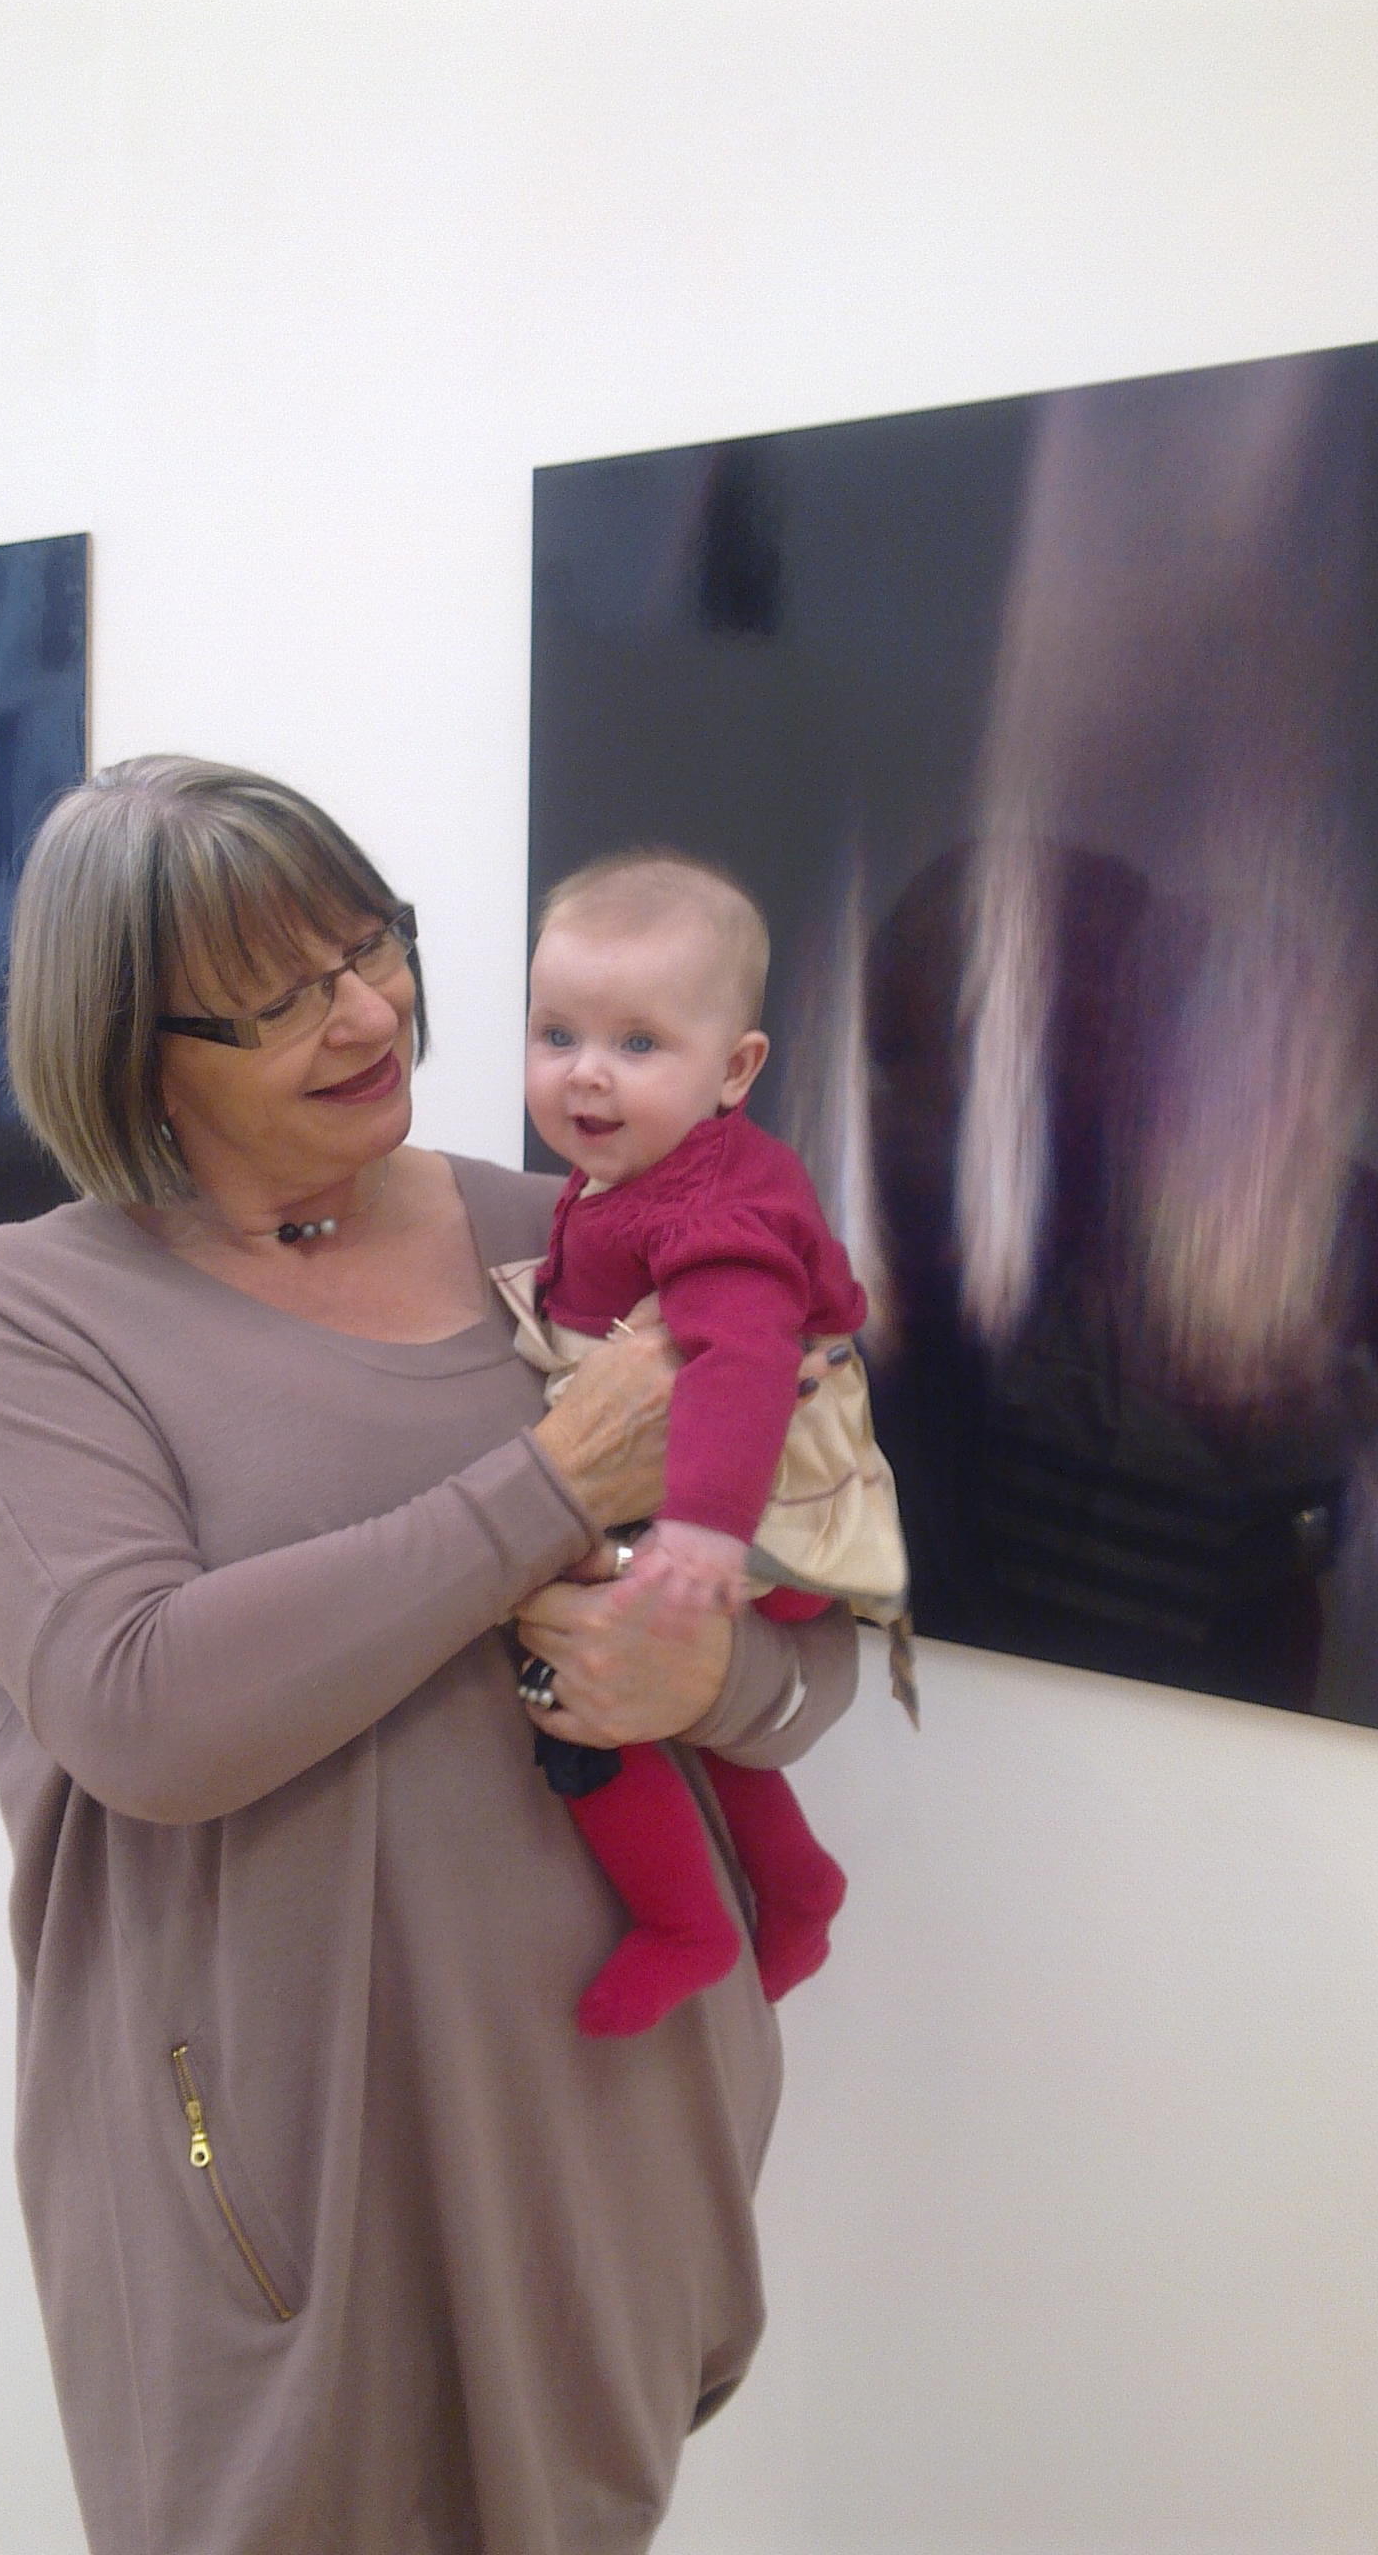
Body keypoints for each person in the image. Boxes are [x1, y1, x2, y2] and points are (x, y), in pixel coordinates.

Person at [0, 757, 860, 2555]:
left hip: (603, 2110)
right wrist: (547, 1479)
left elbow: (812, 1640)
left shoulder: (579, 1229)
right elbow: (141, 1707)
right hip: (272, 2159)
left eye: (371, 945)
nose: (365, 1011)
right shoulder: (30, 1307)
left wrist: (707, 1687)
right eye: (275, 994)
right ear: (127, 1045)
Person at [498, 850, 906, 2038]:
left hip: (753, 1514)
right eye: (557, 1032)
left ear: (734, 1071)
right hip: (736, 1501)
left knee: (576, 1680)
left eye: (638, 1046)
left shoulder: (710, 1208)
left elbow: (741, 1363)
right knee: (677, 1702)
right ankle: (797, 1885)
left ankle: (684, 1921)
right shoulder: (635, 1169)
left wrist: (697, 1531)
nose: (586, 1076)